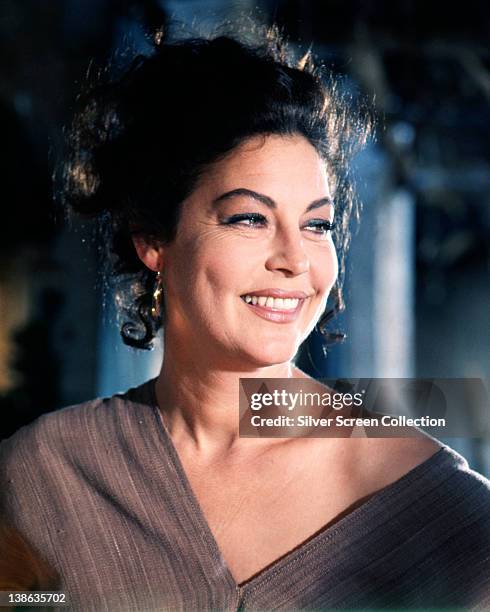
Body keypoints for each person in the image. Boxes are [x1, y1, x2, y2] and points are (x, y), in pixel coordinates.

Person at [1, 24, 490, 612]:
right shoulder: (43, 476)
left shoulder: (438, 511)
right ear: (153, 238)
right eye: (248, 219)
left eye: (317, 225)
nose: (294, 259)